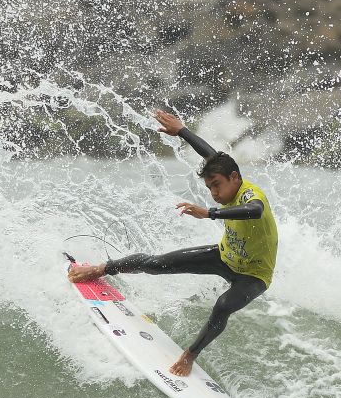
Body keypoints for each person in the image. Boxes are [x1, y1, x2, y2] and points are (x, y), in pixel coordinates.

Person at [68, 110, 278, 377]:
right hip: (225, 257)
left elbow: (255, 210)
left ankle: (190, 355)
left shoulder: (251, 194)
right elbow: (212, 155)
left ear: (235, 177)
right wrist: (182, 131)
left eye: (217, 185)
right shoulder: (225, 173)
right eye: (209, 188)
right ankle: (102, 268)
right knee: (155, 264)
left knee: (224, 305)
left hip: (253, 275)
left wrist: (209, 213)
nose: (214, 193)